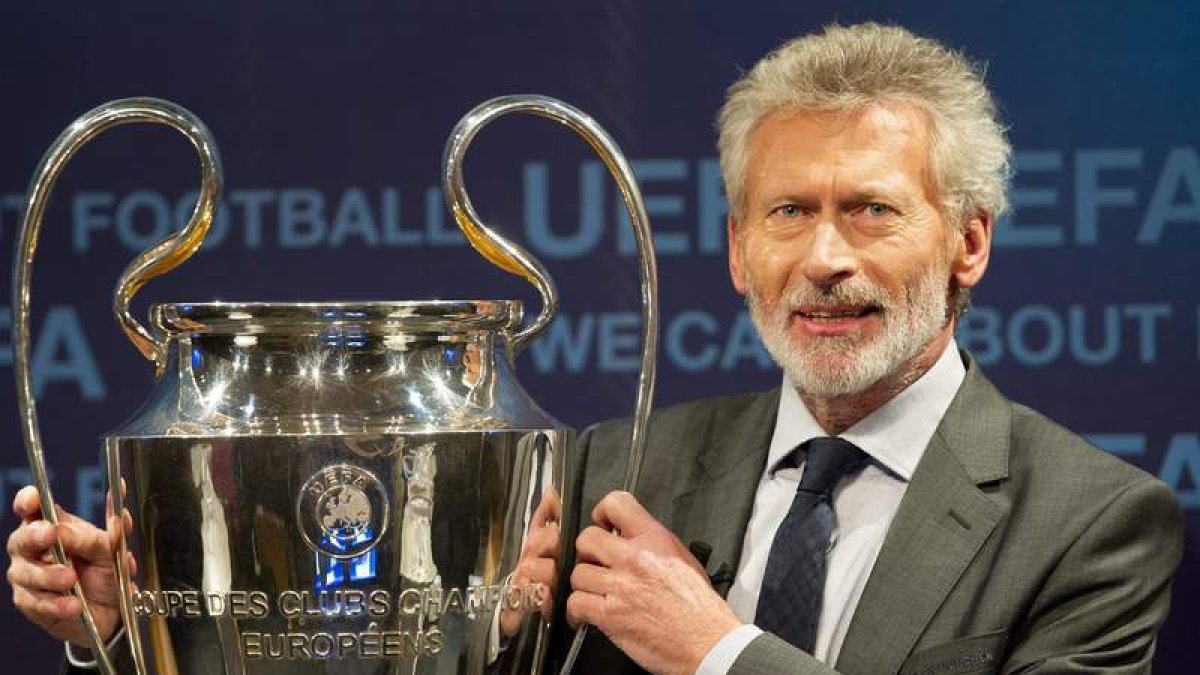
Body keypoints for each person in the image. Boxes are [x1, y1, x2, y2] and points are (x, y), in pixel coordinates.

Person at [6, 22, 1185, 675]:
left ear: (969, 242)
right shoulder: (607, 465)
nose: (824, 258)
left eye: (872, 209)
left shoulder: (1094, 521)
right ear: (735, 250)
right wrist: (153, 620)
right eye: (787, 214)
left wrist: (718, 653)